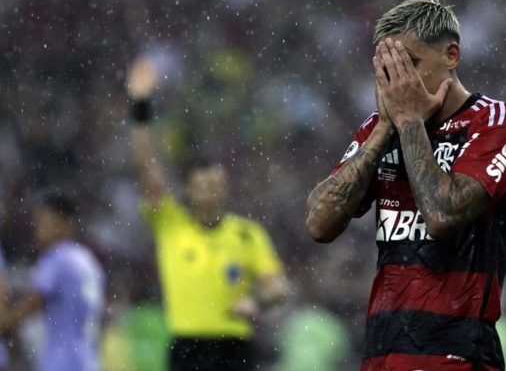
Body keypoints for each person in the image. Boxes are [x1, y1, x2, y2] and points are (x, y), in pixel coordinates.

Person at [305, 0, 506, 371]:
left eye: (408, 65)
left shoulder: (500, 122)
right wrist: (383, 128)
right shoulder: (379, 127)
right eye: (386, 70)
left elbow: (442, 215)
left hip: (457, 357)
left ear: (451, 56)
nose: (396, 83)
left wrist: (409, 123)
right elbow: (318, 222)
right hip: (381, 355)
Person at [126, 56, 289, 371]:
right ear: (188, 190)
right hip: (188, 348)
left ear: (226, 188)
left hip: (235, 349)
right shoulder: (171, 223)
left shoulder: (247, 233)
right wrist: (140, 107)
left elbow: (277, 286)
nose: (210, 190)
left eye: (216, 183)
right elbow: (147, 170)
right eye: (202, 185)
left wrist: (259, 302)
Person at [0, 194, 105, 371]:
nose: (38, 228)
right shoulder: (88, 261)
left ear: (62, 224)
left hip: (62, 362)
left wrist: (4, 321)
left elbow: (28, 306)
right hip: (88, 361)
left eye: (43, 221)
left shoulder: (56, 259)